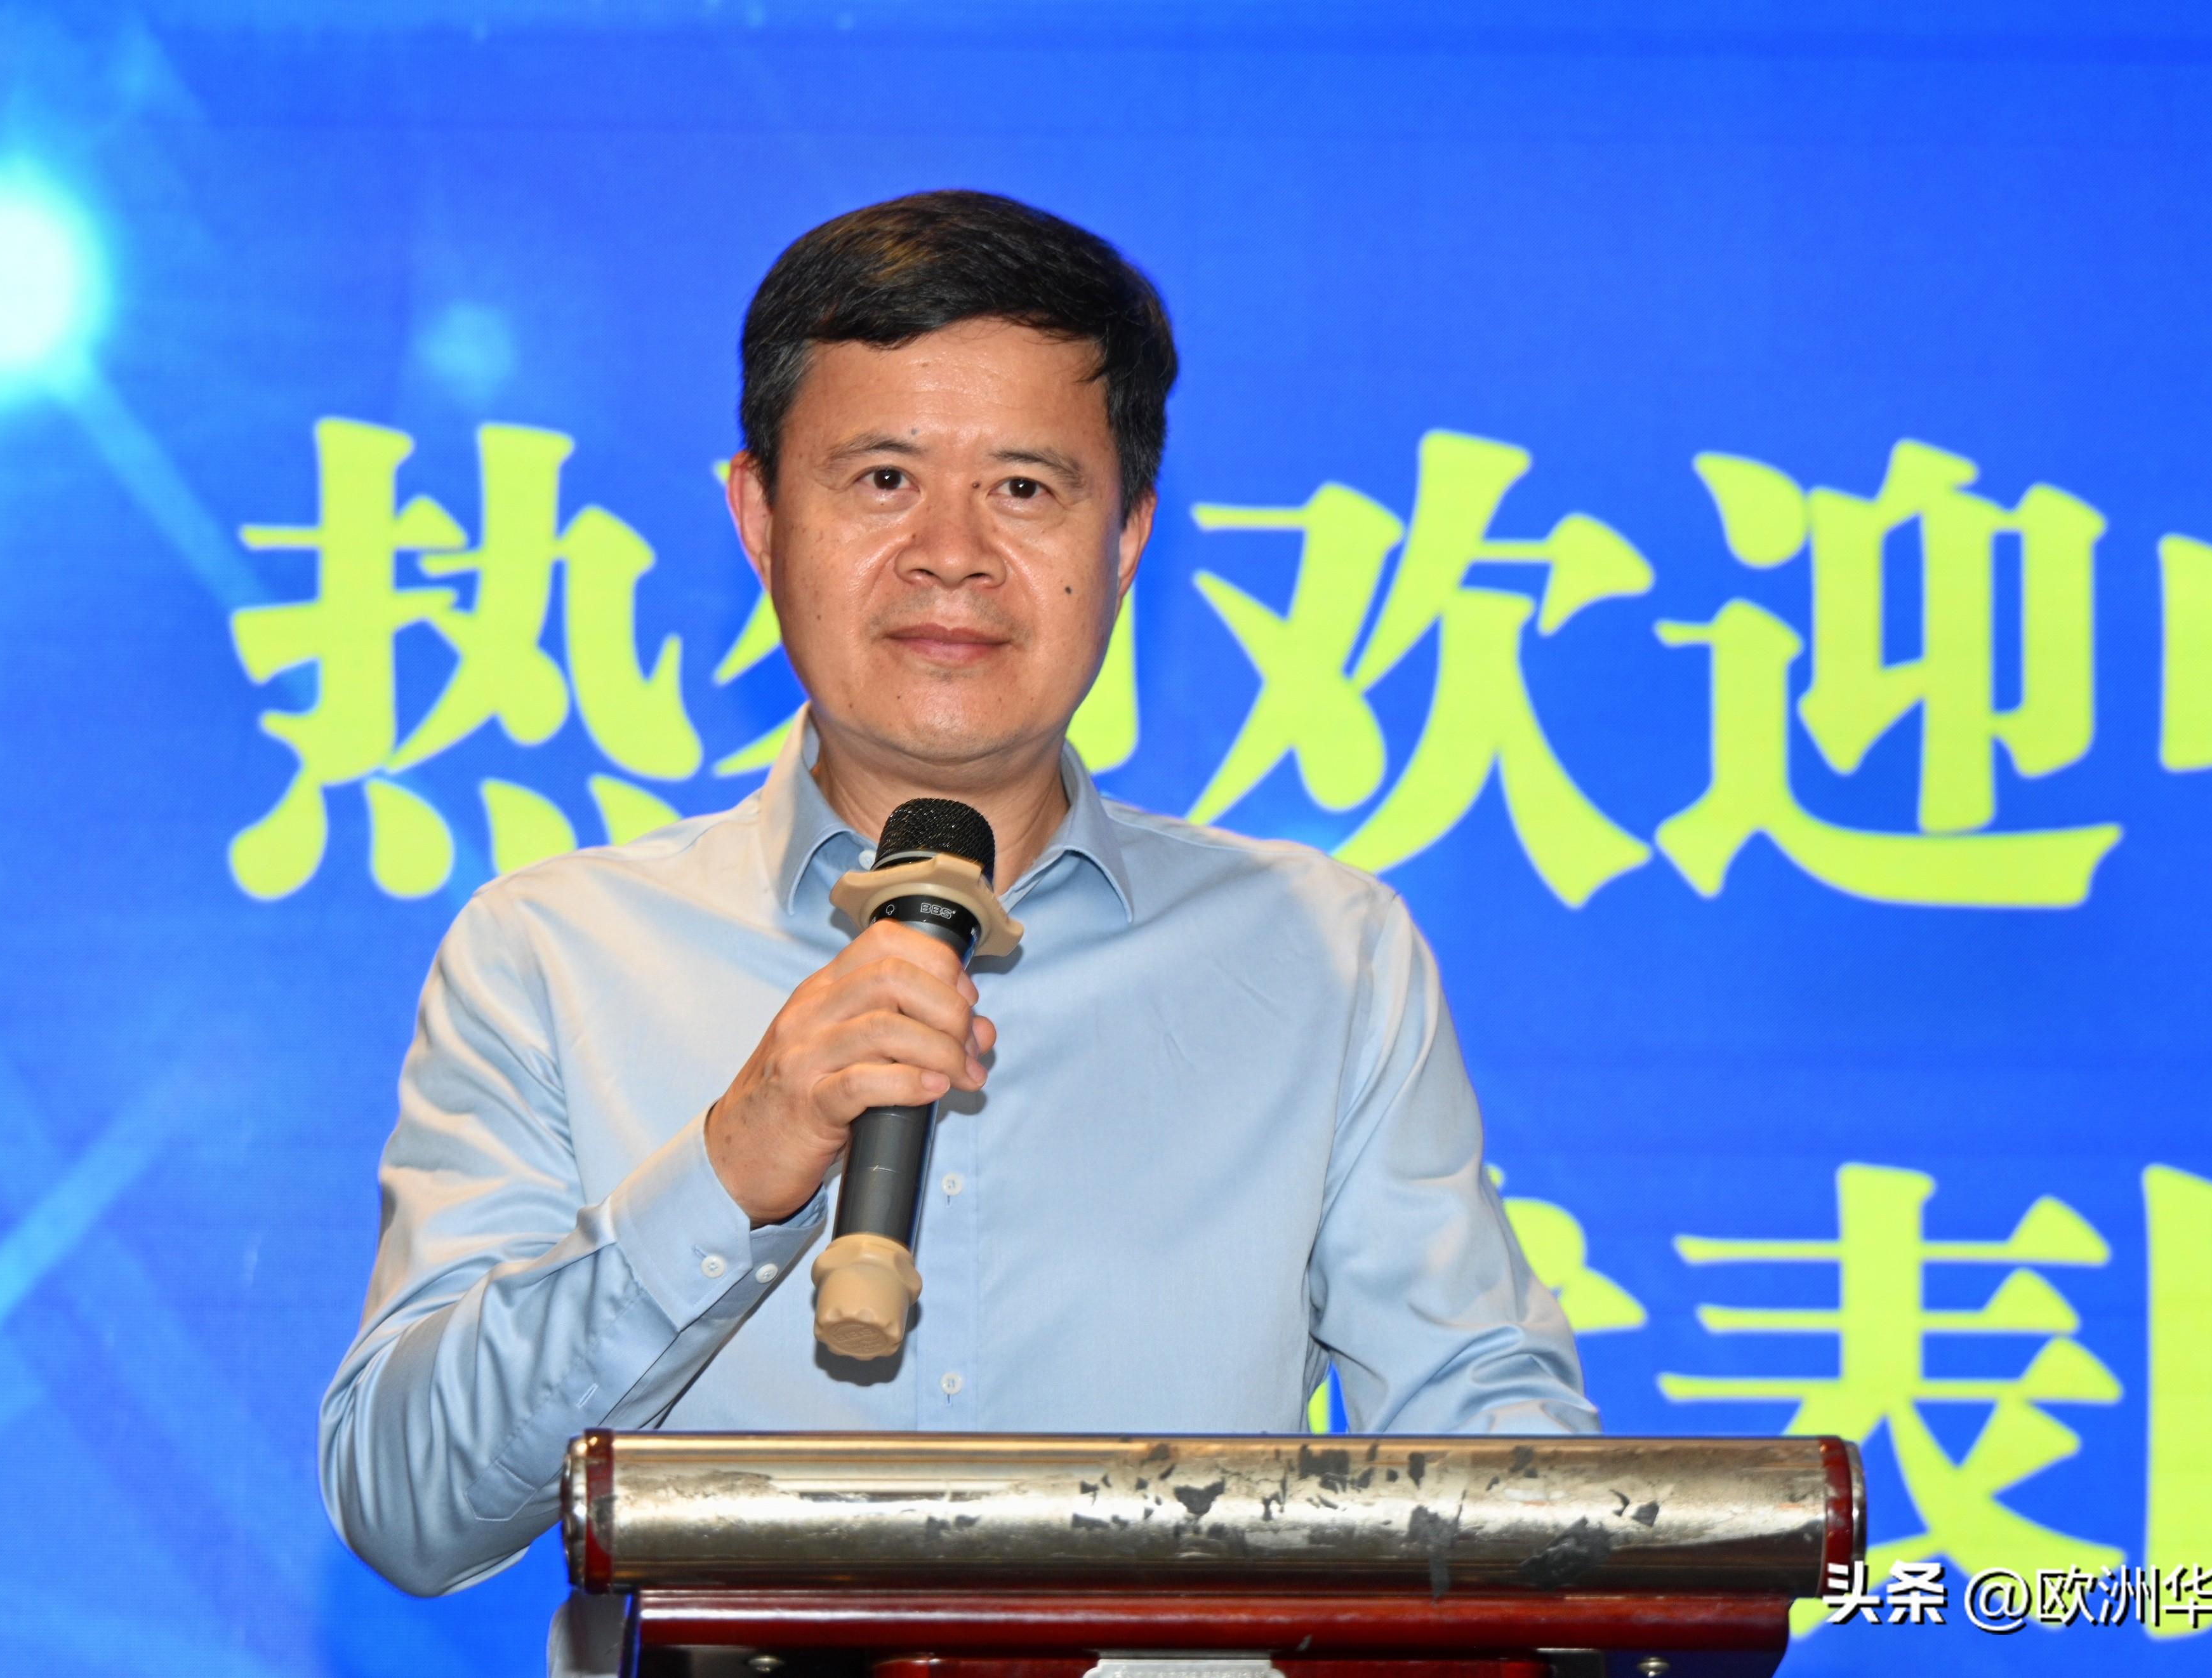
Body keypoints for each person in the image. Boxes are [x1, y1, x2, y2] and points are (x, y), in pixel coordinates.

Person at [318, 190, 1596, 1641]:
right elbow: (406, 1503)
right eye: (882, 478)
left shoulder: (1326, 957)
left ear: (1129, 535)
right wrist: (731, 1167)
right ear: (759, 517)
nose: (952, 553)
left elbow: (1507, 1472)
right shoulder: (552, 954)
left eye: (1027, 489)